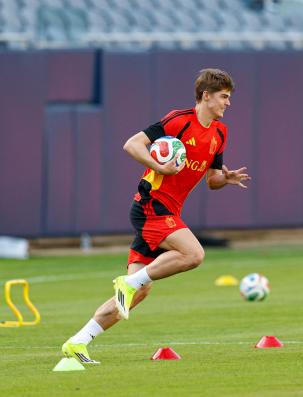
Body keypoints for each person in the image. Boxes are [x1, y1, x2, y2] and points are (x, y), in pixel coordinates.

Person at [62, 68, 251, 363]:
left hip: (169, 210)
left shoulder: (220, 133)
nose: (228, 103)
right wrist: (159, 166)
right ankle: (128, 283)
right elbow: (132, 144)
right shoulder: (179, 121)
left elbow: (211, 179)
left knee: (138, 292)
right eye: (224, 97)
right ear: (206, 96)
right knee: (194, 254)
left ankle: (78, 342)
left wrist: (225, 179)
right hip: (151, 203)